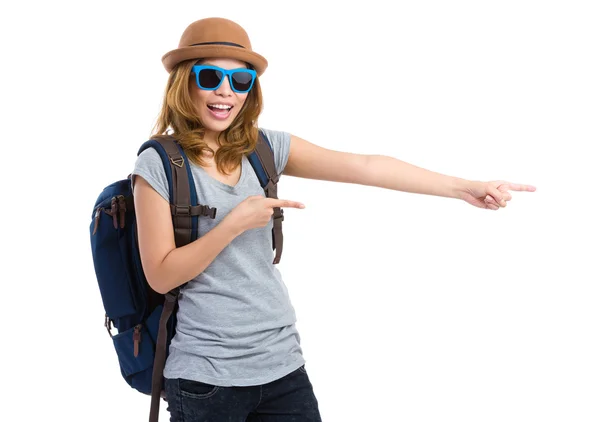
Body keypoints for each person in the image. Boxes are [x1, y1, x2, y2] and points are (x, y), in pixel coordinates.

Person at [131, 17, 536, 422]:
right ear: (186, 81)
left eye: (241, 81)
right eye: (210, 76)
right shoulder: (159, 164)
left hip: (282, 364)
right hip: (206, 379)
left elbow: (365, 166)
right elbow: (162, 275)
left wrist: (463, 186)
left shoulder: (265, 147)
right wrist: (234, 224)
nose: (226, 91)